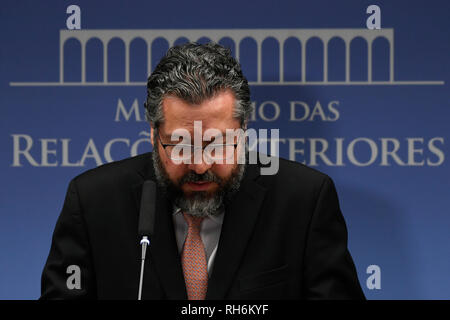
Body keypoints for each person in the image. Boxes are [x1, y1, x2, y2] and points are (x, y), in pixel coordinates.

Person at [40, 42, 365, 300]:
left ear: (244, 130)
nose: (200, 165)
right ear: (153, 135)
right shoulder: (94, 201)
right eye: (180, 146)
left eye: (218, 145)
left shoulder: (303, 200)